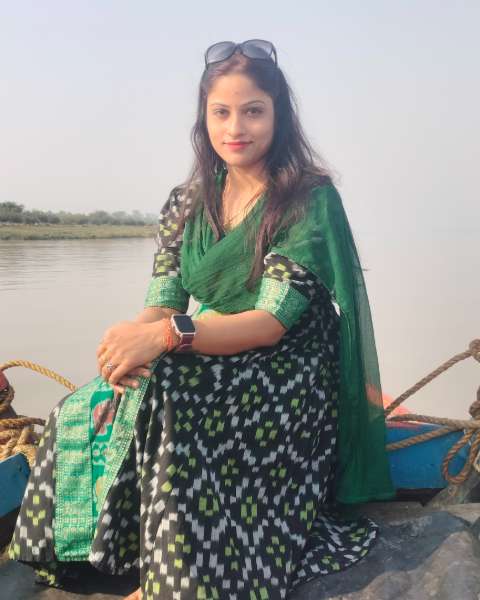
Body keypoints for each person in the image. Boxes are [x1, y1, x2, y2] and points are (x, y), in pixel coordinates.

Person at [10, 39, 394, 600]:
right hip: (206, 343)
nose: (236, 127)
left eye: (253, 111)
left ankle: (184, 573)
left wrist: (166, 337)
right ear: (204, 118)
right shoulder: (187, 201)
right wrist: (130, 347)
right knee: (88, 402)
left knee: (173, 389)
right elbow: (164, 300)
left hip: (291, 369)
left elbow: (270, 321)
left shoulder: (306, 197)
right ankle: (105, 553)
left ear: (279, 116)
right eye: (221, 112)